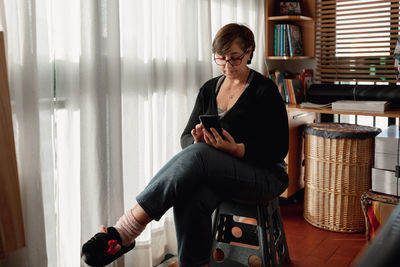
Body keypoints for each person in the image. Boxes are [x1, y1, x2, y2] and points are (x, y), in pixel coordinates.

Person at [81, 23, 289, 267]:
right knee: (188, 194)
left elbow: (278, 147)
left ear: (249, 52)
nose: (227, 65)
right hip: (223, 175)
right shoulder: (209, 89)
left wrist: (237, 149)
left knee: (200, 155)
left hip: (266, 176)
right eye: (220, 59)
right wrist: (197, 139)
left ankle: (128, 227)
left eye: (234, 58)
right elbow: (185, 140)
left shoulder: (265, 90)